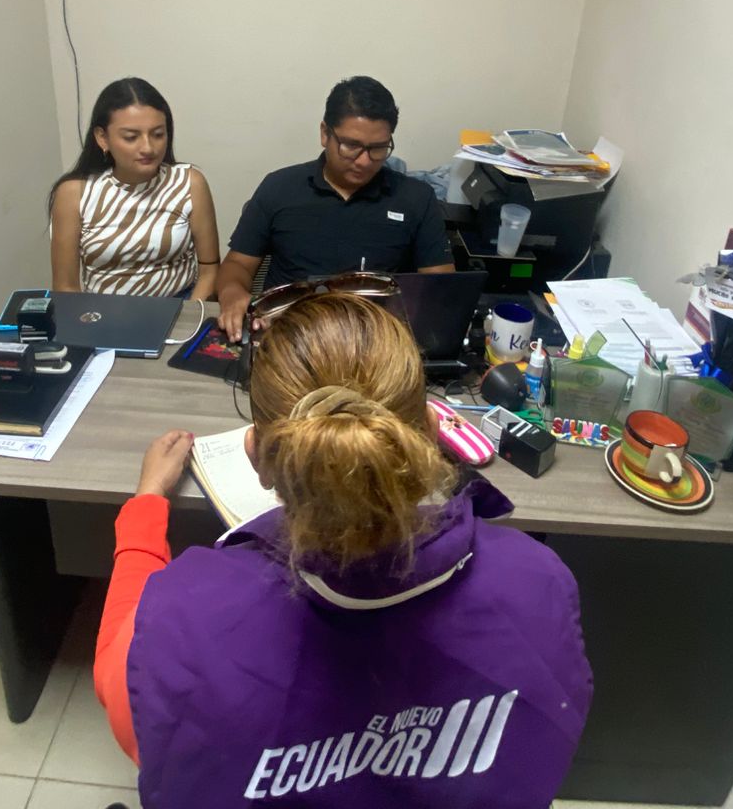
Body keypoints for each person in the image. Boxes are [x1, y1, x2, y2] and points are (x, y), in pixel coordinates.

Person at [92, 293, 592, 808]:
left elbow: (124, 692)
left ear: (258, 457)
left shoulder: (181, 615)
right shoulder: (538, 581)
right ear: (430, 432)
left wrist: (147, 503)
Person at [216, 76, 454, 336]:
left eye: (378, 148)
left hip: (376, 337)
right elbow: (237, 264)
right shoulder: (280, 187)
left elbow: (440, 287)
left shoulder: (416, 198)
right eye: (351, 146)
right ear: (324, 133)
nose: (364, 161)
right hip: (287, 333)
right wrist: (232, 293)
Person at [48, 77, 220, 298]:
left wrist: (190, 315)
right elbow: (66, 288)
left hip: (180, 306)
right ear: (102, 138)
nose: (148, 148)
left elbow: (210, 270)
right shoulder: (74, 193)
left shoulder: (189, 183)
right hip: (103, 311)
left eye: (158, 134)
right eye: (131, 137)